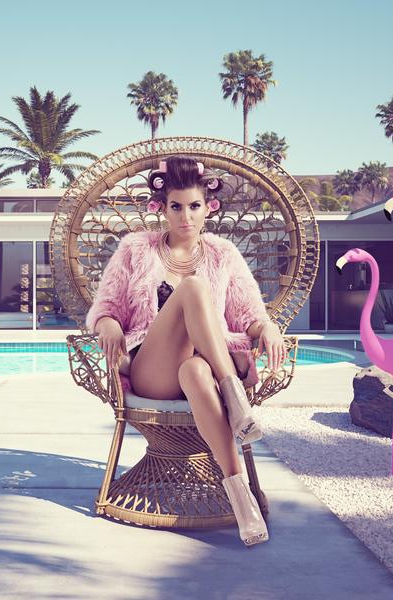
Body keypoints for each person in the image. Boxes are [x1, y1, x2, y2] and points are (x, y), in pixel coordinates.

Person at [85, 155, 287, 547]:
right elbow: (105, 309)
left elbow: (249, 314)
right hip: (152, 368)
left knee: (195, 371)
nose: (186, 216)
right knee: (193, 288)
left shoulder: (223, 254)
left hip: (202, 369)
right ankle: (234, 392)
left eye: (194, 206)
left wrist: (267, 327)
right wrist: (107, 323)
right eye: (176, 206)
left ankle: (242, 501)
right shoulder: (135, 250)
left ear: (208, 208)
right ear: (160, 208)